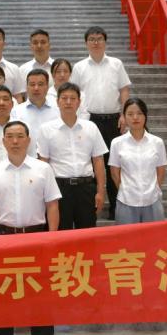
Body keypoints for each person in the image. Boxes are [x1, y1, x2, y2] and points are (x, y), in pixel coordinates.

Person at [0, 121, 60, 335]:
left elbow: (52, 205)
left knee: (40, 298)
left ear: (28, 140)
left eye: (20, 136)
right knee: (3, 297)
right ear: (3, 141)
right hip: (4, 238)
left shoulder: (43, 169)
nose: (15, 141)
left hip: (36, 238)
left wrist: (52, 239)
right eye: (10, 137)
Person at [71, 26, 131, 218]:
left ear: (105, 42)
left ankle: (116, 208)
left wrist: (124, 114)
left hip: (113, 121)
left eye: (99, 39)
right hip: (89, 121)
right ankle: (90, 208)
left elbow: (124, 89)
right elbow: (74, 94)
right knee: (90, 164)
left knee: (113, 164)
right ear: (86, 43)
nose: (96, 42)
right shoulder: (79, 67)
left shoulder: (116, 64)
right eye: (92, 39)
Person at [37, 83, 107, 230]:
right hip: (59, 189)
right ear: (57, 101)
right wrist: (44, 193)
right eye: (64, 98)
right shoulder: (46, 129)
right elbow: (43, 163)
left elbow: (98, 160)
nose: (68, 102)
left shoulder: (91, 127)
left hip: (86, 187)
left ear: (79, 102)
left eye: (73, 98)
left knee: (87, 233)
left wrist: (101, 191)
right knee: (62, 233)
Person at [109, 98, 167, 223]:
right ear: (124, 117)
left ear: (145, 116)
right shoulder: (117, 143)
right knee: (126, 236)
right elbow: (114, 173)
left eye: (139, 113)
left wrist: (154, 189)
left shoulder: (157, 142)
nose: (135, 117)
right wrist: (125, 190)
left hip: (152, 201)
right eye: (130, 114)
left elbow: (161, 171)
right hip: (126, 201)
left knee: (155, 235)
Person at [11, 68, 59, 137]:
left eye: (40, 84)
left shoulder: (58, 110)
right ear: (26, 87)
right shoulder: (16, 112)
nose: (36, 88)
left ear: (47, 87)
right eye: (32, 84)